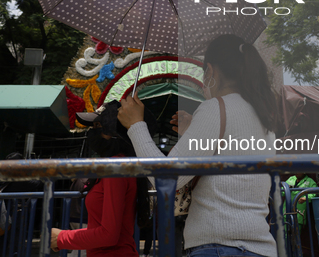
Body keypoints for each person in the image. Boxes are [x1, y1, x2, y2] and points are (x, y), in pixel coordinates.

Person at [119, 34, 279, 257]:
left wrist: (136, 125)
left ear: (211, 71)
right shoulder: (263, 116)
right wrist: (193, 130)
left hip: (218, 246)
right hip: (262, 248)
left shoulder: (214, 107)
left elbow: (167, 178)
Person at [50, 101, 158, 256]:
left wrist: (62, 238)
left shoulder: (116, 167)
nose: (92, 131)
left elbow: (109, 235)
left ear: (115, 131)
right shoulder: (117, 165)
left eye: (98, 125)